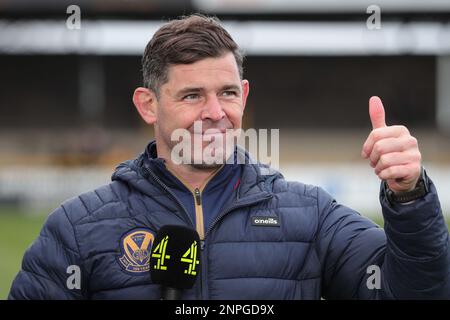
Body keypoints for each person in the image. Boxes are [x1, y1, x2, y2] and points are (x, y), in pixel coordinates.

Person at [9, 14, 449, 300]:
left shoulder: (312, 215)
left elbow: (415, 293)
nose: (215, 113)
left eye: (227, 93)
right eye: (192, 95)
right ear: (148, 105)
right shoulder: (77, 228)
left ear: (245, 95)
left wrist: (409, 197)